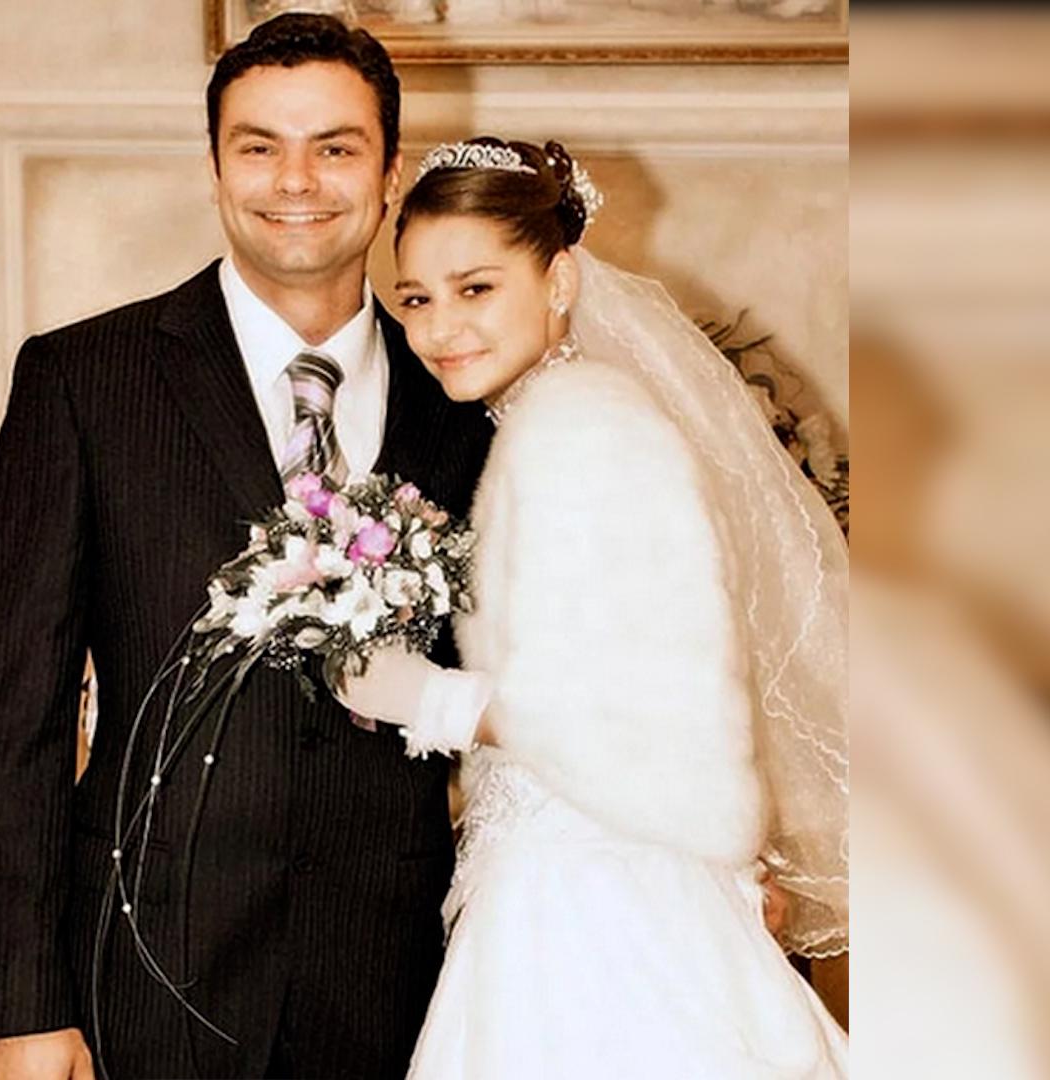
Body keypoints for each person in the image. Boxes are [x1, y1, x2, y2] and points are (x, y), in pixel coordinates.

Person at [0, 13, 494, 1080]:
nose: (297, 180)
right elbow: (13, 723)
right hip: (144, 985)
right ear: (214, 169)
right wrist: (19, 1011)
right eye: (259, 146)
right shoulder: (84, 382)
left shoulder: (467, 406)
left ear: (389, 174)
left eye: (336, 147)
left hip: (396, 993)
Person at [337, 137, 850, 1077]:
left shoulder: (582, 427)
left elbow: (613, 706)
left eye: (476, 288)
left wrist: (424, 695)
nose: (441, 326)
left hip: (591, 898)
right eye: (416, 299)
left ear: (561, 279)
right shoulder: (550, 416)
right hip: (582, 866)